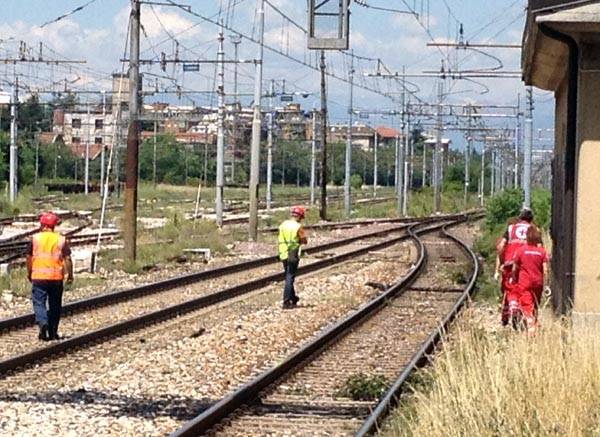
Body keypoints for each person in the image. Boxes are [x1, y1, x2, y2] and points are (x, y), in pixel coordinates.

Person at [26, 212, 73, 341]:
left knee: (39, 302)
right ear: (54, 225)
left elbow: (29, 258)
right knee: (55, 305)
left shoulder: (35, 238)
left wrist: (29, 272)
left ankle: (43, 323)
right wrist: (70, 275)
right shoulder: (61, 239)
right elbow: (67, 258)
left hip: (39, 277)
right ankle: (53, 332)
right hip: (56, 277)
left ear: (42, 225)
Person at [496, 209, 534, 325]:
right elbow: (539, 247)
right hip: (526, 265)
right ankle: (522, 313)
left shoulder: (511, 228)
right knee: (525, 290)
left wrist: (502, 262)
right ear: (531, 219)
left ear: (519, 218)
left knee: (509, 289)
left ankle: (510, 311)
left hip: (510, 262)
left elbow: (501, 246)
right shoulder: (533, 230)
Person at [509, 225, 549, 335]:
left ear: (527, 237)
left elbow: (514, 267)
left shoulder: (521, 251)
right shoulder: (542, 252)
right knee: (535, 305)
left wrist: (513, 278)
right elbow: (545, 270)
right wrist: (546, 284)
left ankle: (531, 329)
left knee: (527, 306)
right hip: (538, 283)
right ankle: (535, 325)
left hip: (525, 283)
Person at [278, 206, 308, 309]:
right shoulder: (298, 227)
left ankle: (293, 298)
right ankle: (286, 302)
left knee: (288, 275)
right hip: (292, 253)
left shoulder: (283, 224)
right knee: (290, 277)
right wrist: (301, 241)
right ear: (300, 216)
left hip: (283, 253)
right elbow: (304, 240)